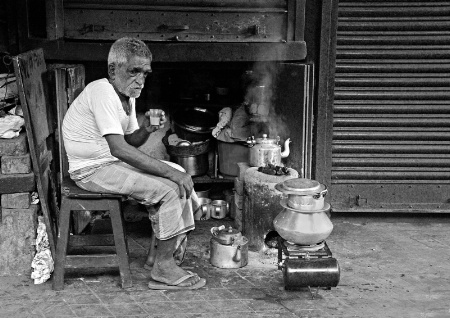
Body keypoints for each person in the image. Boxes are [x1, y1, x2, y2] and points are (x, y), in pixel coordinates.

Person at [62, 37, 206, 290]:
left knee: (180, 171)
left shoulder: (126, 96)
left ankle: (160, 256)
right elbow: (119, 149)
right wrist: (169, 174)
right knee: (170, 189)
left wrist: (147, 129)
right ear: (112, 70)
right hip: (90, 170)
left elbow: (129, 141)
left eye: (145, 73)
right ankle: (163, 268)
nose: (140, 79)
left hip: (108, 162)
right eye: (134, 71)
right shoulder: (102, 91)